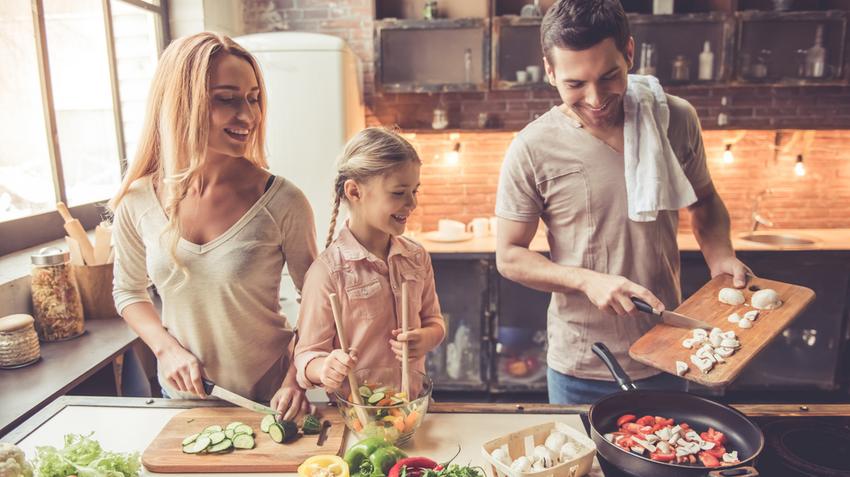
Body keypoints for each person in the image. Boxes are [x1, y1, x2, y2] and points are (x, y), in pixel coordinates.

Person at [495, 0, 751, 404]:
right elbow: (509, 256)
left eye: (609, 76)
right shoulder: (532, 147)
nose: (596, 98)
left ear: (629, 52)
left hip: (669, 351)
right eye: (574, 84)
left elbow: (705, 202)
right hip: (580, 363)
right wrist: (586, 279)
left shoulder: (675, 119)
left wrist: (721, 258)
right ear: (549, 71)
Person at [111, 32, 317, 419]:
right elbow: (128, 291)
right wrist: (166, 349)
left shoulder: (284, 200)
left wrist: (295, 379)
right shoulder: (137, 200)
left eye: (254, 98)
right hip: (185, 397)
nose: (249, 116)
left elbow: (317, 302)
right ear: (181, 104)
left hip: (272, 398)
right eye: (226, 99)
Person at [294, 128, 445, 394]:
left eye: (414, 191)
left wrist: (427, 338)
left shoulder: (417, 257)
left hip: (412, 407)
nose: (412, 203)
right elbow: (306, 356)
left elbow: (434, 321)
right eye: (399, 193)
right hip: (358, 416)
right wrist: (324, 367)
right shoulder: (326, 272)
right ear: (354, 192)